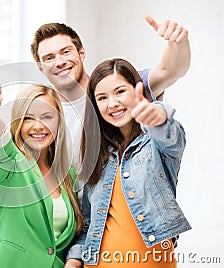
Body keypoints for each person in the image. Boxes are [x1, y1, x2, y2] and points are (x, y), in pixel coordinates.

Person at [66, 58, 191, 267]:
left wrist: (158, 117)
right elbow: (88, 225)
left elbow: (172, 137)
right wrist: (73, 260)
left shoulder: (154, 143)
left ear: (137, 90)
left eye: (120, 92)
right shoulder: (98, 155)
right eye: (102, 98)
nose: (113, 103)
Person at [30, 15, 190, 175]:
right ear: (41, 69)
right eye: (49, 58)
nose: (59, 62)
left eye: (65, 52)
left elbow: (169, 71)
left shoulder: (119, 88)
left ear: (81, 53)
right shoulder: (42, 115)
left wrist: (177, 42)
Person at [0, 72, 83, 268]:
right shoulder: (10, 163)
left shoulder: (67, 176)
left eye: (47, 117)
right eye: (28, 118)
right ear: (18, 123)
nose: (38, 126)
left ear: (59, 122)